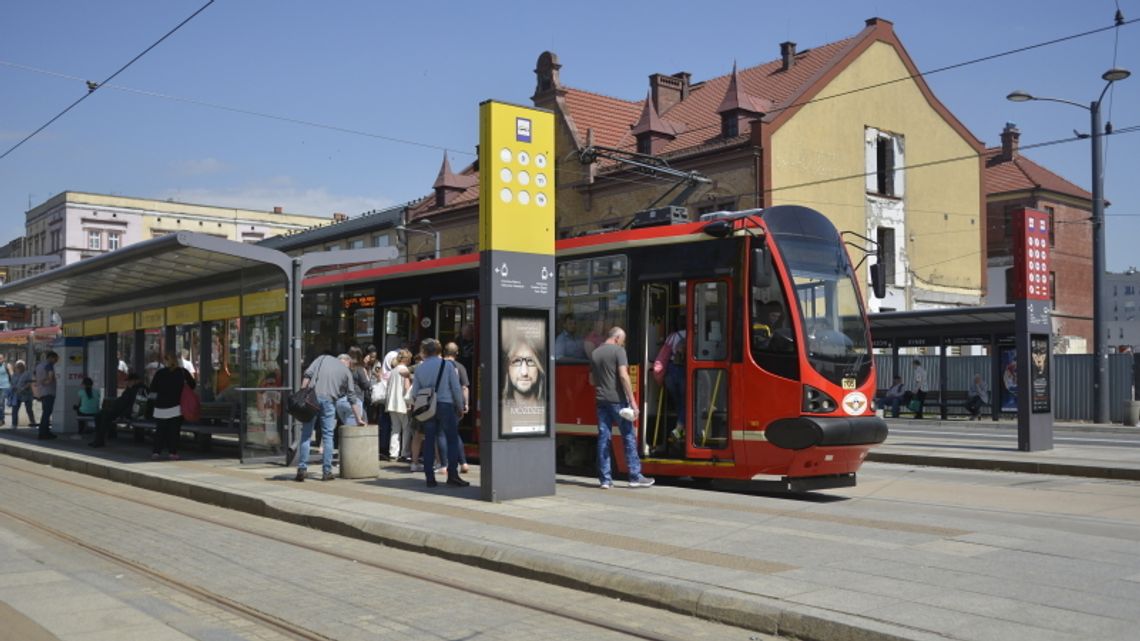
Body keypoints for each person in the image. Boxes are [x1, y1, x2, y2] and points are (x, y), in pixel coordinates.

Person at [590, 326, 654, 489]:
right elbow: (624, 376)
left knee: (604, 437)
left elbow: (591, 379)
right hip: (617, 400)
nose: (623, 344)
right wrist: (632, 401)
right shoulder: (618, 351)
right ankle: (634, 476)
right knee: (628, 435)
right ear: (617, 338)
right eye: (622, 341)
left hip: (601, 400)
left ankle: (605, 480)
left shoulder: (595, 353)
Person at [295, 352, 363, 482]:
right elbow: (352, 398)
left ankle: (302, 469)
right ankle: (327, 472)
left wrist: (302, 395)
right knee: (328, 436)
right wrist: (358, 418)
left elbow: (307, 376)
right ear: (348, 362)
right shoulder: (347, 372)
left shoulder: (322, 358)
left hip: (311, 399)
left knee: (306, 435)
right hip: (329, 401)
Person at [409, 338, 467, 488]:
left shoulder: (420, 368)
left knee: (429, 440)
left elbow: (414, 392)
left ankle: (430, 477)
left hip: (429, 408)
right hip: (446, 405)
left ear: (425, 352)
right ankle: (452, 475)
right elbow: (455, 388)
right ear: (438, 351)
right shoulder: (447, 365)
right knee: (452, 440)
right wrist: (460, 407)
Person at [149, 353, 196, 460]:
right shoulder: (183, 372)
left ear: (166, 361)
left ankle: (156, 452)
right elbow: (192, 385)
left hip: (160, 407)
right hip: (176, 407)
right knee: (174, 431)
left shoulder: (160, 373)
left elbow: (153, 389)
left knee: (160, 431)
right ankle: (173, 453)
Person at [502, 327, 546, 435]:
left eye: (531, 361)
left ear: (539, 368)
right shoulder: (499, 412)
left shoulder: (547, 411)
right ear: (507, 368)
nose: (524, 372)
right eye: (516, 361)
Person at [88, 373, 147, 448]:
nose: (128, 383)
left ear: (136, 381)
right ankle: (98, 439)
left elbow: (133, 405)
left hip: (123, 412)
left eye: (130, 381)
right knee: (99, 415)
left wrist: (123, 415)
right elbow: (123, 400)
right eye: (128, 381)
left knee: (103, 416)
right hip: (118, 410)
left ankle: (99, 440)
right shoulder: (130, 389)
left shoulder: (140, 390)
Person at [653, 323, 686, 442]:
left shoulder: (672, 336)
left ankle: (681, 427)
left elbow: (663, 356)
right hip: (685, 371)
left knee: (678, 401)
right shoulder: (696, 335)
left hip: (671, 372)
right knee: (686, 402)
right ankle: (679, 428)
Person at [444, 341, 471, 473]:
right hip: (456, 403)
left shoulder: (440, 365)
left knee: (441, 433)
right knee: (454, 433)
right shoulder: (461, 367)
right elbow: (464, 387)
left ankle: (445, 464)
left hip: (442, 402)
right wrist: (465, 404)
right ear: (457, 353)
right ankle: (463, 462)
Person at [385, 349, 413, 462]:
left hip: (392, 402)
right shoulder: (405, 370)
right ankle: (405, 453)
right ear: (407, 359)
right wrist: (409, 402)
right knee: (406, 428)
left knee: (395, 429)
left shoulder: (393, 370)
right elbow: (406, 387)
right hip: (402, 402)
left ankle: (393, 453)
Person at [33, 351, 60, 440]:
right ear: (51, 357)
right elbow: (50, 377)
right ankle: (43, 433)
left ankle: (46, 432)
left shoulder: (39, 365)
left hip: (42, 392)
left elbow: (35, 377)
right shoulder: (49, 365)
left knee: (45, 412)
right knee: (47, 413)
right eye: (56, 359)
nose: (56, 361)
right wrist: (47, 381)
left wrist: (40, 383)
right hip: (49, 392)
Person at [10, 360, 34, 428]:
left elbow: (29, 383)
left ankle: (33, 422)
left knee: (29, 409)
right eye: (18, 366)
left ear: (24, 366)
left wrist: (23, 388)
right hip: (17, 394)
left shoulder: (28, 373)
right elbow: (12, 383)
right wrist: (13, 388)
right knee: (15, 410)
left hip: (27, 394)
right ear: (16, 367)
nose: (20, 367)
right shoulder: (14, 375)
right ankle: (14, 424)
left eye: (21, 366)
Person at [0, 354, 11, 427]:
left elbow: (12, 374)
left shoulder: (7, 365)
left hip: (5, 387)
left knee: (1, 403)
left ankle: (1, 419)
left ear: (3, 359)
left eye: (0, 358)